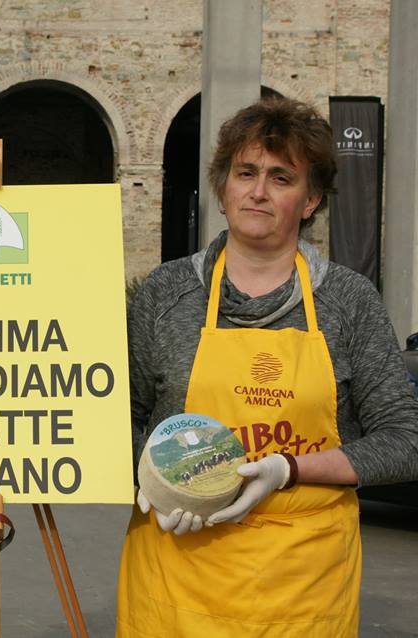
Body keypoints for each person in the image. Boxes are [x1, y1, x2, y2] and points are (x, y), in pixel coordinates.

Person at [117, 97, 418, 637]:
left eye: (282, 178)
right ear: (223, 186)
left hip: (303, 586)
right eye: (246, 173)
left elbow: (406, 440)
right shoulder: (167, 294)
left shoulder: (348, 301)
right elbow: (119, 420)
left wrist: (289, 469)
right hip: (177, 572)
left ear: (311, 200)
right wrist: (154, 480)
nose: (258, 192)